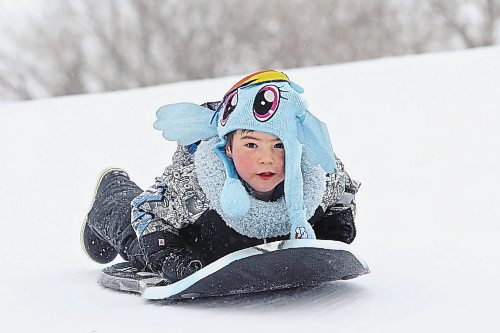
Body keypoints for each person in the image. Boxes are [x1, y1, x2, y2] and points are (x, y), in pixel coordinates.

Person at [81, 70, 360, 283]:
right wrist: (171, 259)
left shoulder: (317, 176)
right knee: (139, 245)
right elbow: (147, 213)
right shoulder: (195, 186)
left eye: (279, 145)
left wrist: (335, 231)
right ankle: (113, 191)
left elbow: (344, 190)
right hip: (196, 238)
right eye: (251, 145)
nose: (267, 158)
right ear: (228, 147)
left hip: (247, 239)